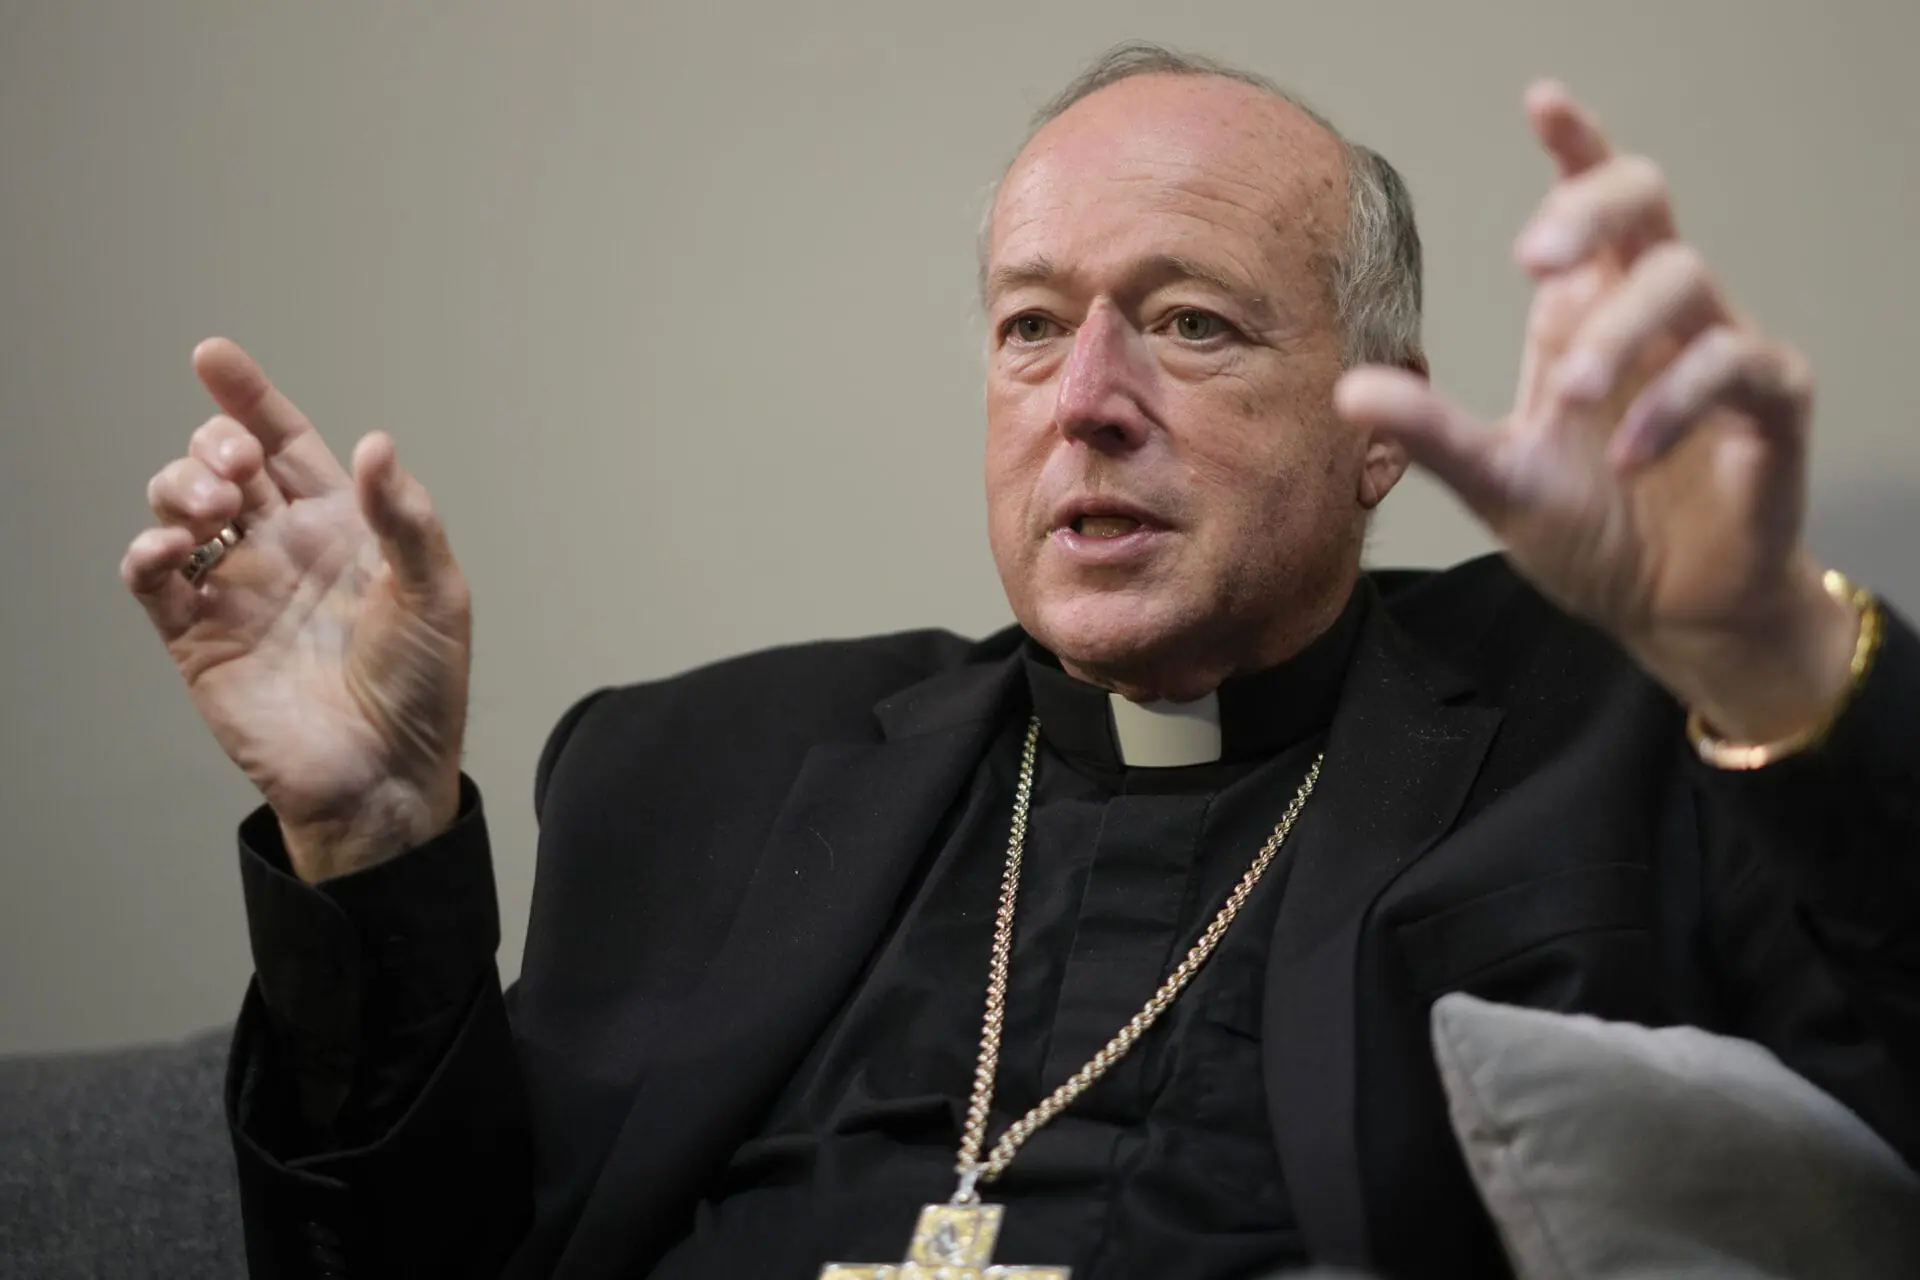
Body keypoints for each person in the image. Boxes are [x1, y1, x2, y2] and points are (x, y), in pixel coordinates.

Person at [120, 42, 1920, 1280]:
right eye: (1032, 327)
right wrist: (368, 834)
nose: (1087, 403)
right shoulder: (695, 776)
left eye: (1192, 324)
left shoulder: (1620, 710)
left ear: (1384, 429)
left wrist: (1768, 656)